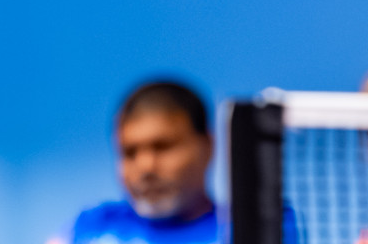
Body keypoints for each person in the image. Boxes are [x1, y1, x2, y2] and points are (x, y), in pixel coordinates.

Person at [46, 79, 299, 244]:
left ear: (207, 146)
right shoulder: (91, 227)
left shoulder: (257, 228)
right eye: (130, 152)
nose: (145, 167)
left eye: (163, 147)